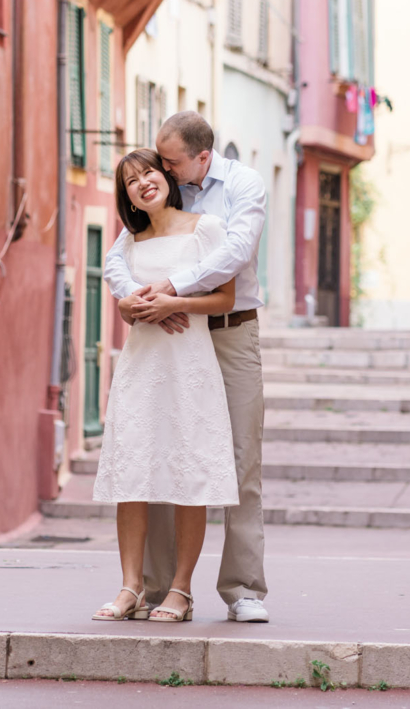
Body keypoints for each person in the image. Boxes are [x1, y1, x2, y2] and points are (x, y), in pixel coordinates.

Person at [103, 111, 271, 624]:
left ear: (202, 156)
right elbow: (120, 256)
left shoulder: (242, 185)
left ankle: (242, 589)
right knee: (157, 457)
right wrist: (127, 296)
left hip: (229, 332)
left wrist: (175, 292)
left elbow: (237, 254)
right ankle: (153, 587)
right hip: (166, 342)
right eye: (157, 163)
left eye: (168, 162)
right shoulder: (161, 194)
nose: (162, 171)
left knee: (236, 461)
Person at [91, 148, 238, 623]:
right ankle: (130, 587)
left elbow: (225, 298)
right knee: (132, 473)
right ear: (127, 197)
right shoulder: (128, 242)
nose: (142, 184)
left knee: (188, 473)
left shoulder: (206, 228)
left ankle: (180, 590)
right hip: (141, 364)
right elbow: (120, 293)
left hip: (188, 365)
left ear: (166, 177)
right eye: (130, 181)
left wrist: (173, 306)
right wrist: (130, 308)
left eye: (148, 172)